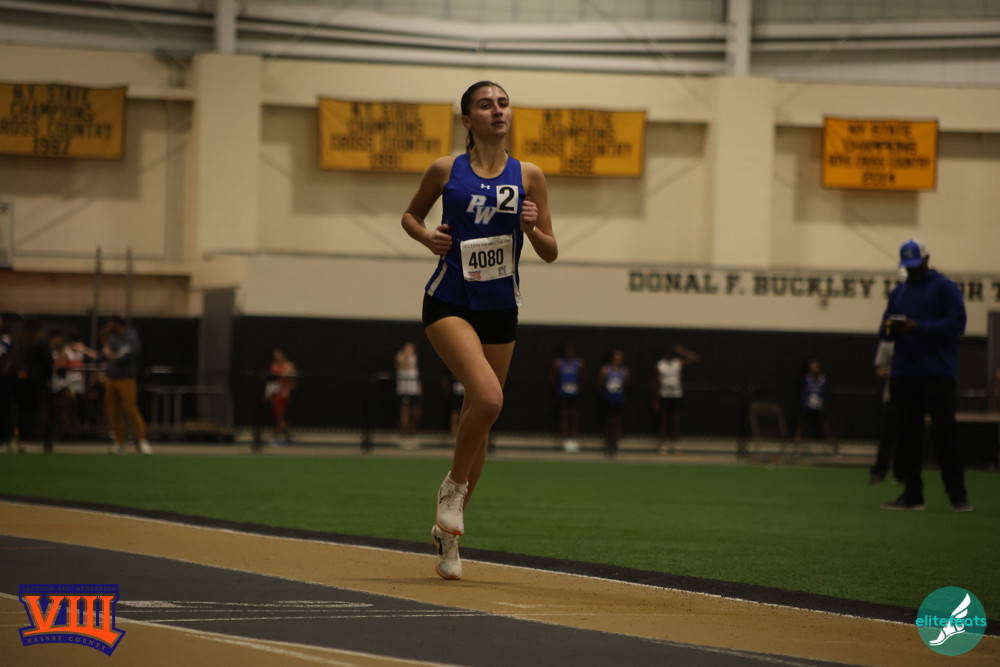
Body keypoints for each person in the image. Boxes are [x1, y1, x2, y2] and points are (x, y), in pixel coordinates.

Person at [401, 80, 557, 580]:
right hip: (449, 301)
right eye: (486, 105)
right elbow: (410, 216)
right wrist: (428, 237)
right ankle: (452, 488)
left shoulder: (529, 175)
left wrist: (532, 227)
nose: (498, 111)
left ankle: (448, 538)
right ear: (468, 119)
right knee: (489, 399)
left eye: (503, 103)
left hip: (500, 308)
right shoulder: (446, 169)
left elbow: (550, 250)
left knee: (480, 418)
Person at [879, 239, 970, 511]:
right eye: (908, 266)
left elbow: (957, 324)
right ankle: (912, 494)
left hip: (937, 372)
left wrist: (918, 327)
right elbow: (883, 332)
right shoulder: (899, 293)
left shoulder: (945, 288)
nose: (912, 270)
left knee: (944, 433)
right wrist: (893, 327)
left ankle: (958, 496)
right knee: (907, 436)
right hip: (904, 373)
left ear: (927, 260)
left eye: (916, 264)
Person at [102, 315, 153, 455]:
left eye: (110, 324)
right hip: (111, 377)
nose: (108, 327)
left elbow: (122, 357)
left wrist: (110, 355)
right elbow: (103, 353)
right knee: (114, 412)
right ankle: (120, 442)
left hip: (126, 378)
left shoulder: (130, 338)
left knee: (130, 409)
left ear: (117, 324)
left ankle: (142, 441)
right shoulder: (113, 338)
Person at [11, 319, 53, 453]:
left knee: (20, 411)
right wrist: (46, 378)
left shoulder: (19, 342)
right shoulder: (41, 342)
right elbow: (48, 363)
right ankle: (37, 441)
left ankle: (17, 439)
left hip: (20, 380)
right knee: (37, 412)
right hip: (37, 382)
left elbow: (13, 361)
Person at [652, 344, 700, 454]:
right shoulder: (660, 364)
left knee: (675, 420)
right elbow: (655, 382)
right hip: (664, 394)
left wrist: (682, 351)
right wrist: (655, 399)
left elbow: (695, 358)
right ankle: (662, 444)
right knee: (664, 420)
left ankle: (674, 444)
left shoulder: (677, 363)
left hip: (676, 395)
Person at [791, 358, 839, 455]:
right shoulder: (806, 378)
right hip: (808, 405)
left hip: (819, 405)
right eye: (812, 366)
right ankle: (797, 440)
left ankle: (831, 440)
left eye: (816, 366)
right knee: (801, 420)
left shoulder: (823, 379)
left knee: (825, 422)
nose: (814, 368)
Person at [869, 340, 896, 484]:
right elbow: (879, 368)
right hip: (891, 397)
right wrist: (888, 373)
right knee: (887, 437)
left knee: (908, 437)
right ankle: (879, 472)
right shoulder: (888, 342)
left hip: (911, 398)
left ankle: (902, 474)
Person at [551, 343, 584, 453]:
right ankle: (564, 439)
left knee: (574, 416)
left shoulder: (578, 363)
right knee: (564, 415)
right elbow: (553, 377)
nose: (569, 353)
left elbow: (582, 377)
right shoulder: (559, 363)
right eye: (567, 351)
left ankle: (573, 439)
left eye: (571, 351)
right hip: (563, 393)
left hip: (574, 393)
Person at [597, 350, 629, 458]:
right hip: (608, 400)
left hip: (619, 400)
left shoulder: (624, 371)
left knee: (617, 422)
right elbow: (599, 383)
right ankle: (608, 443)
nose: (618, 361)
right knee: (609, 422)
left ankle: (615, 443)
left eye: (620, 359)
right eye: (616, 358)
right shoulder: (605, 370)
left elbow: (627, 384)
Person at [264, 347, 297, 445]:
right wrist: (268, 393)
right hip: (275, 393)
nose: (277, 357)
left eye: (278, 355)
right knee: (278, 416)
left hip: (283, 394)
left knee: (280, 416)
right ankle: (287, 437)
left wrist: (288, 390)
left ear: (283, 355)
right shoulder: (273, 366)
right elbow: (271, 382)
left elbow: (293, 380)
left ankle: (278, 437)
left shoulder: (288, 366)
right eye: (275, 355)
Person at [395, 341, 422, 444]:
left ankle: (413, 429)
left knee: (415, 410)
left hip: (414, 388)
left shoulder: (414, 357)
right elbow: (403, 365)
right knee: (405, 409)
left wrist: (419, 387)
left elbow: (415, 372)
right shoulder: (400, 356)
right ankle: (404, 430)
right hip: (404, 388)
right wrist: (406, 356)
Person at [0, 316, 16, 453]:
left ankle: (8, 437)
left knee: (5, 410)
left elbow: (11, 359)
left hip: (4, 380)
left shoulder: (7, 341)